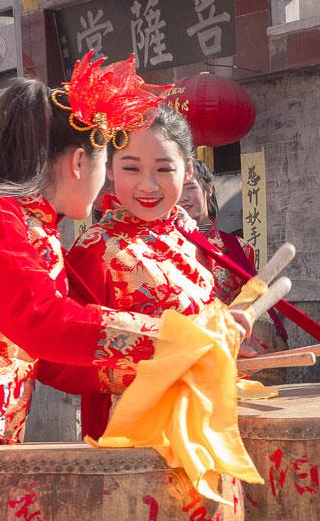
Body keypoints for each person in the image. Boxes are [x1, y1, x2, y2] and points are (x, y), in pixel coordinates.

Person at [0, 52, 253, 520]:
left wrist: (178, 361)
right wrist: (180, 335)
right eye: (113, 165)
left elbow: (49, 359)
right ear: (81, 160)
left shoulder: (22, 220)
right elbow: (44, 322)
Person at [66, 106, 217, 439]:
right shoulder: (96, 250)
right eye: (131, 168)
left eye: (163, 169)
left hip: (203, 420)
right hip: (134, 436)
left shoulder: (189, 238)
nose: (147, 185)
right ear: (109, 169)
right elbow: (64, 360)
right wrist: (163, 361)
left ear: (188, 170)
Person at [180, 160, 288, 345]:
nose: (183, 197)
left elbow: (254, 301)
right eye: (177, 189)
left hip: (233, 348)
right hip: (183, 345)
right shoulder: (167, 246)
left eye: (190, 187)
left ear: (209, 188)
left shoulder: (239, 248)